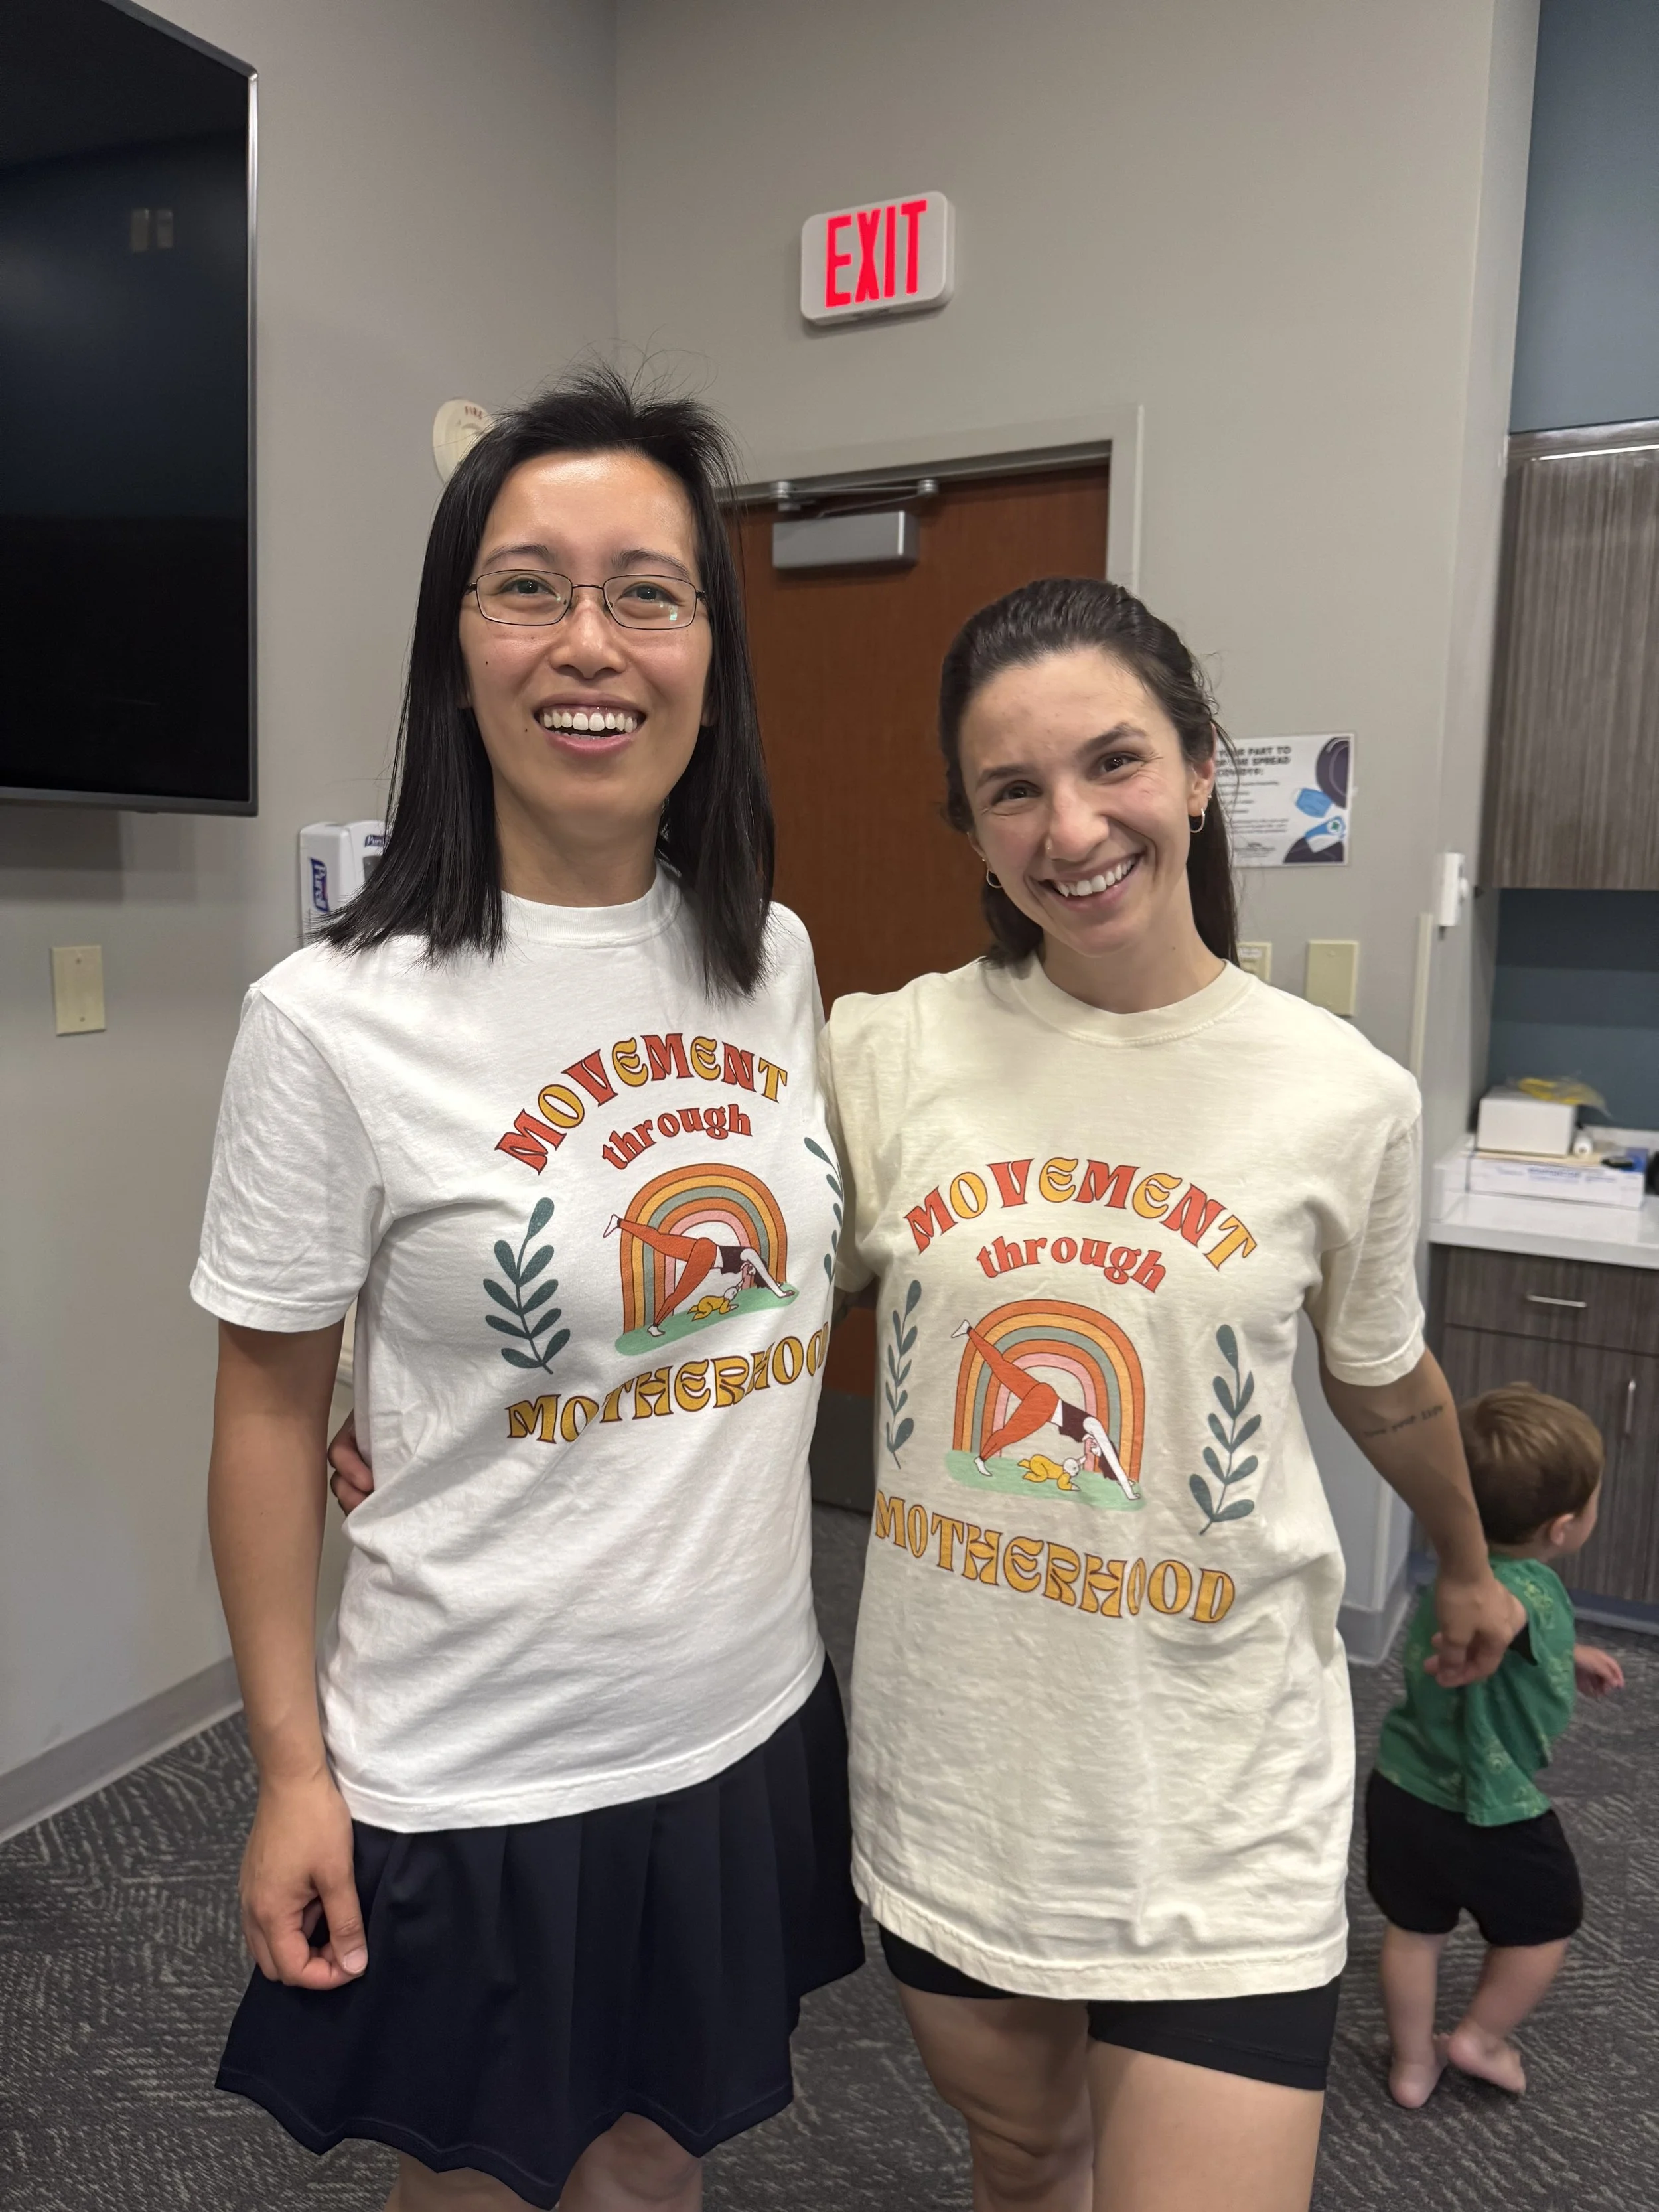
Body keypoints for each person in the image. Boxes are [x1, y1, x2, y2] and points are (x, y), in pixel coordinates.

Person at [194, 367, 862, 2212]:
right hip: (479, 1747)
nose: (591, 642)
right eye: (527, 588)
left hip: (736, 1708)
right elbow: (266, 1415)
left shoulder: (771, 957)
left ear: (709, 653)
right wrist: (289, 1770)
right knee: (482, 2183)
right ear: (455, 646)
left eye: (648, 591)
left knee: (653, 2166)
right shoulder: (333, 1017)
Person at [816, 577, 1526, 2212]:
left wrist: (1466, 1558)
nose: (1070, 828)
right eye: (1012, 789)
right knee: (1024, 2162)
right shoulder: (885, 1054)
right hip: (967, 1774)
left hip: (1220, 1781)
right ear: (972, 828)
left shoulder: (1340, 1092)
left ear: (1202, 767)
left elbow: (1378, 1368)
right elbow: (718, 1305)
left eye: (1113, 762)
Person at [1366, 1384, 1624, 2109]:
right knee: (1546, 1926)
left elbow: (1507, 1629)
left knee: (1413, 1931)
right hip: (1492, 1809)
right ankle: (1478, 2038)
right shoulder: (1525, 1592)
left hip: (1402, 1789)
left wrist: (1567, 1652)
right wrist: (1540, 1633)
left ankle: (1411, 2065)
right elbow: (1512, 1614)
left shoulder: (1458, 1577)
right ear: (1563, 1527)